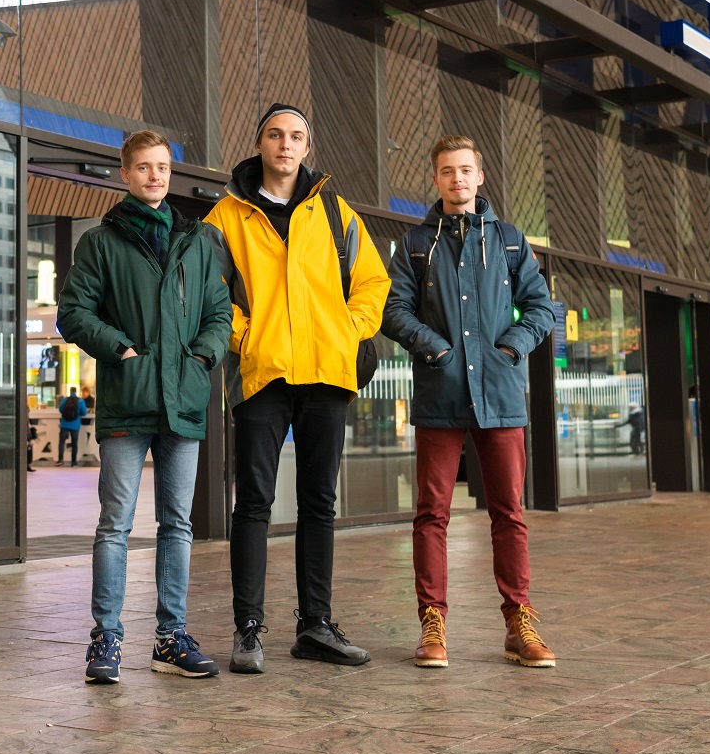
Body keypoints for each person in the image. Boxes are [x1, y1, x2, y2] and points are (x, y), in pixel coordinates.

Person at [205, 102, 390, 673]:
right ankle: (248, 629)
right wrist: (248, 340)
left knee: (319, 501)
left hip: (327, 374)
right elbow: (209, 295)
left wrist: (344, 331)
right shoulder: (225, 218)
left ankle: (315, 625)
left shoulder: (336, 213)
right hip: (264, 375)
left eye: (297, 137)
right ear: (259, 143)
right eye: (275, 134)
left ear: (308, 148)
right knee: (254, 502)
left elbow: (372, 284)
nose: (286, 145)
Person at [58, 129, 233, 685]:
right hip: (128, 398)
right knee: (115, 524)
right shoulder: (100, 242)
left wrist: (202, 358)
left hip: (183, 399)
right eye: (144, 168)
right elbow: (73, 312)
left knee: (177, 523)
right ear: (125, 173)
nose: (155, 176)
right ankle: (105, 639)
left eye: (162, 167)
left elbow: (220, 313)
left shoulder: (198, 241)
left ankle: (170, 638)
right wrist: (122, 350)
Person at [381, 135, 556, 670]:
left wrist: (510, 348)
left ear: (479, 177)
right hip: (441, 394)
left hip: (500, 395)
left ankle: (519, 622)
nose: (457, 179)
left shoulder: (509, 241)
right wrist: (434, 347)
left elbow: (543, 308)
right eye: (446, 171)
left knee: (509, 513)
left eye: (465, 170)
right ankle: (432, 623)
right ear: (435, 179)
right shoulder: (416, 243)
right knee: (432, 514)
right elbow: (393, 309)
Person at [57, 386, 84, 467]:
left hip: (64, 424)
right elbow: (84, 412)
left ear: (70, 391)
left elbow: (60, 409)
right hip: (75, 425)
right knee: (74, 443)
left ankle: (60, 460)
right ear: (76, 391)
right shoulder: (81, 401)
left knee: (62, 442)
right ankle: (74, 462)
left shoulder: (65, 399)